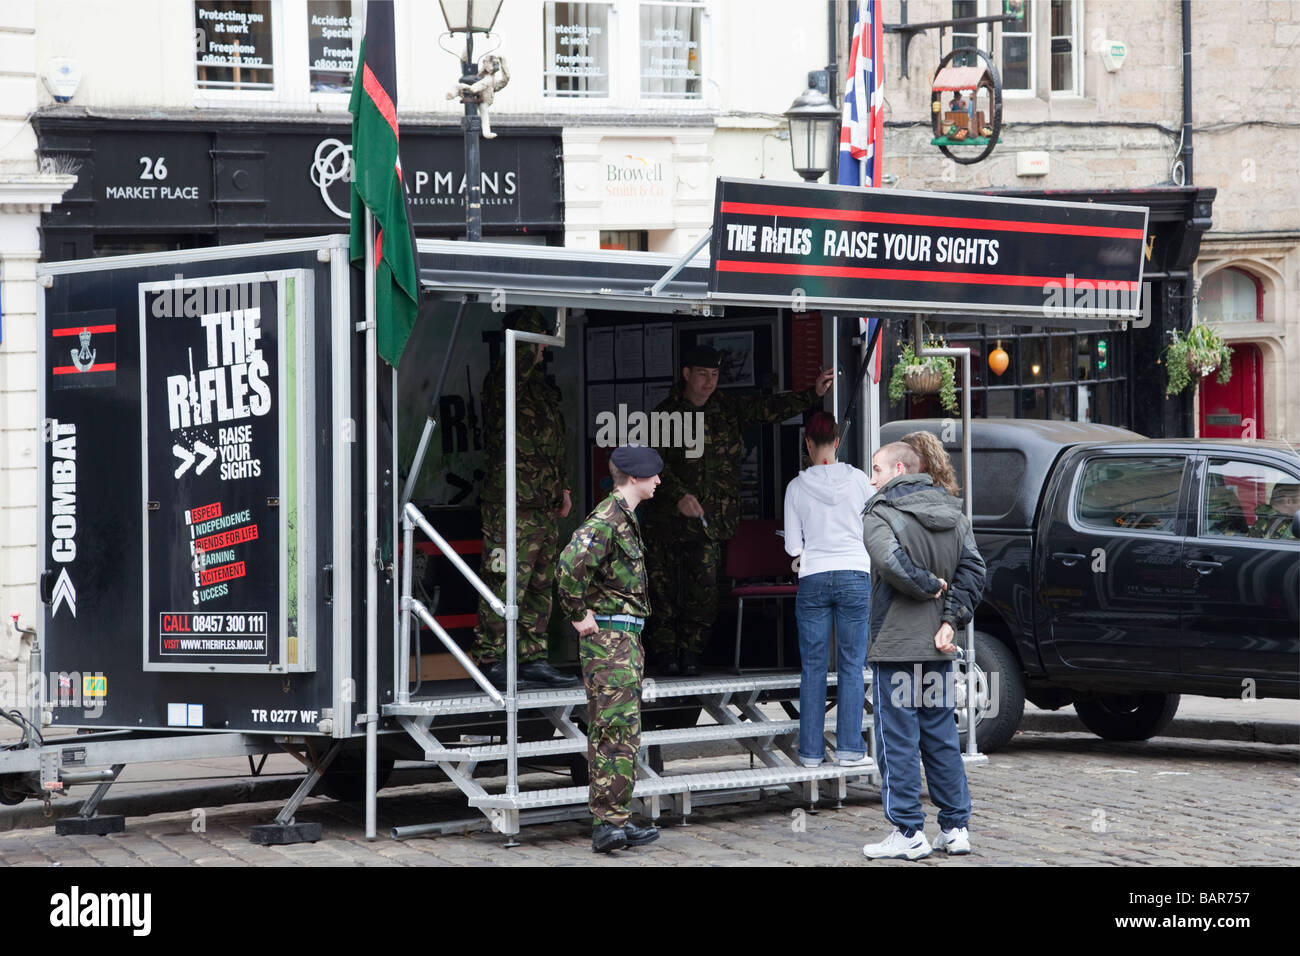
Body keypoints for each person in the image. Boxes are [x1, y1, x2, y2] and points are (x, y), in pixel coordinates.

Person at [642, 345, 833, 675]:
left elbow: (767, 408)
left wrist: (810, 395)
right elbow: (652, 464)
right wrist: (676, 496)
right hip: (668, 524)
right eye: (702, 374)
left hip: (709, 523)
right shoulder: (665, 415)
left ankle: (690, 653)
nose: (709, 382)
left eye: (714, 375)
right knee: (663, 590)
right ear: (686, 374)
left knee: (704, 591)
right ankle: (665, 655)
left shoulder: (726, 409)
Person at [860, 441, 985, 861]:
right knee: (941, 736)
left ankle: (908, 831)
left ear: (898, 468)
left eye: (876, 469)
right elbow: (974, 570)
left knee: (897, 739)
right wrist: (951, 619)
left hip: (896, 645)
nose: (871, 478)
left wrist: (930, 586)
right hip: (939, 643)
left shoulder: (880, 513)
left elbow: (892, 563)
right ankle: (955, 827)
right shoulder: (954, 511)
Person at [555, 445, 664, 853]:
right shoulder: (607, 519)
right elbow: (568, 566)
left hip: (624, 640)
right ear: (634, 478)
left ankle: (616, 817)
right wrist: (578, 614)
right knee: (614, 732)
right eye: (652, 475)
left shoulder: (624, 519)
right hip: (609, 643)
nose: (657, 481)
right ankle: (607, 823)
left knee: (624, 732)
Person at [472, 307, 578, 689]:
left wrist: (563, 488)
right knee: (503, 582)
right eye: (537, 342)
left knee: (538, 585)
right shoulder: (502, 380)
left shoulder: (541, 390)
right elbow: (515, 363)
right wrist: (525, 340)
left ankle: (532, 658)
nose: (542, 351)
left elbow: (554, 444)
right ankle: (491, 658)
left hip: (542, 505)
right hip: (509, 505)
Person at [783, 413, 875, 769]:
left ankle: (810, 753)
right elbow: (872, 529)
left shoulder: (796, 487)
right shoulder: (860, 481)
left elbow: (793, 547)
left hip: (814, 577)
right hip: (855, 572)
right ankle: (851, 749)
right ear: (837, 442)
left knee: (814, 668)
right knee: (852, 665)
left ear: (808, 443)